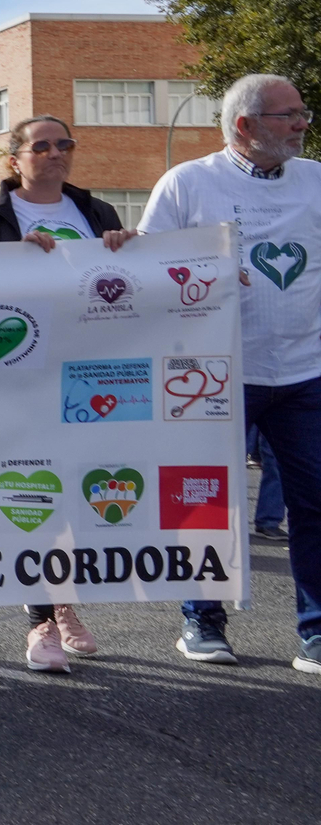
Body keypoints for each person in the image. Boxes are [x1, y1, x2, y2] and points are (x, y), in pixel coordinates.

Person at [137, 74, 321, 675]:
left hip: (305, 374)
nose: (301, 124)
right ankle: (202, 622)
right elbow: (147, 269)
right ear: (245, 126)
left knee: (315, 505)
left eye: (303, 114)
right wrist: (200, 270)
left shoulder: (317, 179)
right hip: (210, 374)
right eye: (289, 115)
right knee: (202, 503)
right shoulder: (188, 183)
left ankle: (315, 634)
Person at [0, 114, 132, 674]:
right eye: (40, 145)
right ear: (15, 159)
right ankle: (39, 617)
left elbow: (125, 285)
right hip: (16, 375)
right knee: (32, 492)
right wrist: (15, 262)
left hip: (89, 372)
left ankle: (65, 601)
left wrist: (127, 248)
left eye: (64, 144)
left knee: (81, 488)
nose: (54, 153)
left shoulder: (97, 212)